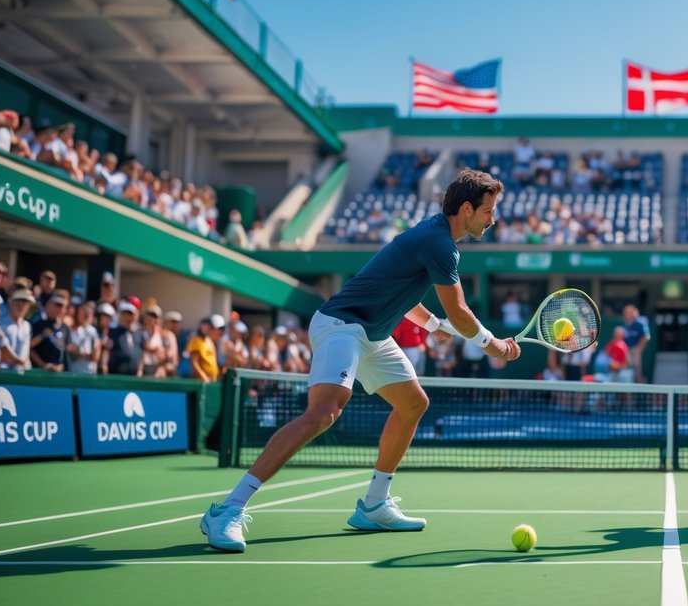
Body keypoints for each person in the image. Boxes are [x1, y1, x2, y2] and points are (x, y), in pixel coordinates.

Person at [202, 169, 521, 553]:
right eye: (488, 211)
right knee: (324, 412)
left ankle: (373, 505)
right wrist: (495, 347)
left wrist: (433, 324)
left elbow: (406, 296)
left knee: (413, 403)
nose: (493, 219)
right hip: (341, 325)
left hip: (372, 334)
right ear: (467, 208)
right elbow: (461, 312)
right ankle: (228, 509)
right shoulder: (439, 242)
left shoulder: (435, 234)